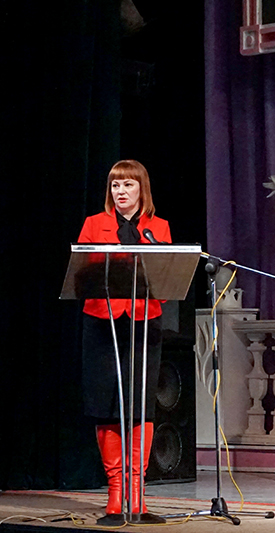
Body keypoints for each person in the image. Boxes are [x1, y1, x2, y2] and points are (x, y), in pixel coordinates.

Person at [77, 160, 171, 516]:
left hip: (144, 322)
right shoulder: (93, 224)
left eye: (128, 185)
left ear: (141, 189)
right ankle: (116, 492)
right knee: (106, 403)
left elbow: (166, 282)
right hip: (103, 322)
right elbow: (83, 276)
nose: (120, 192)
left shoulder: (158, 227)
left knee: (141, 404)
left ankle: (137, 491)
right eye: (115, 185)